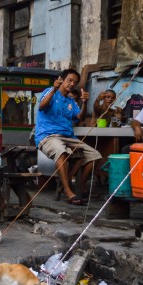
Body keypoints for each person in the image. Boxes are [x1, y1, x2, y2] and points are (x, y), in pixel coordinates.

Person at [34, 69, 102, 205]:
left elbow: (79, 117)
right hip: (48, 136)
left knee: (95, 155)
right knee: (61, 152)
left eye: (75, 82)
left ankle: (80, 188)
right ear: (62, 80)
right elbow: (41, 107)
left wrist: (85, 102)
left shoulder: (71, 101)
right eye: (69, 80)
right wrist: (54, 89)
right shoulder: (50, 92)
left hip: (68, 137)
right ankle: (67, 191)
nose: (72, 84)